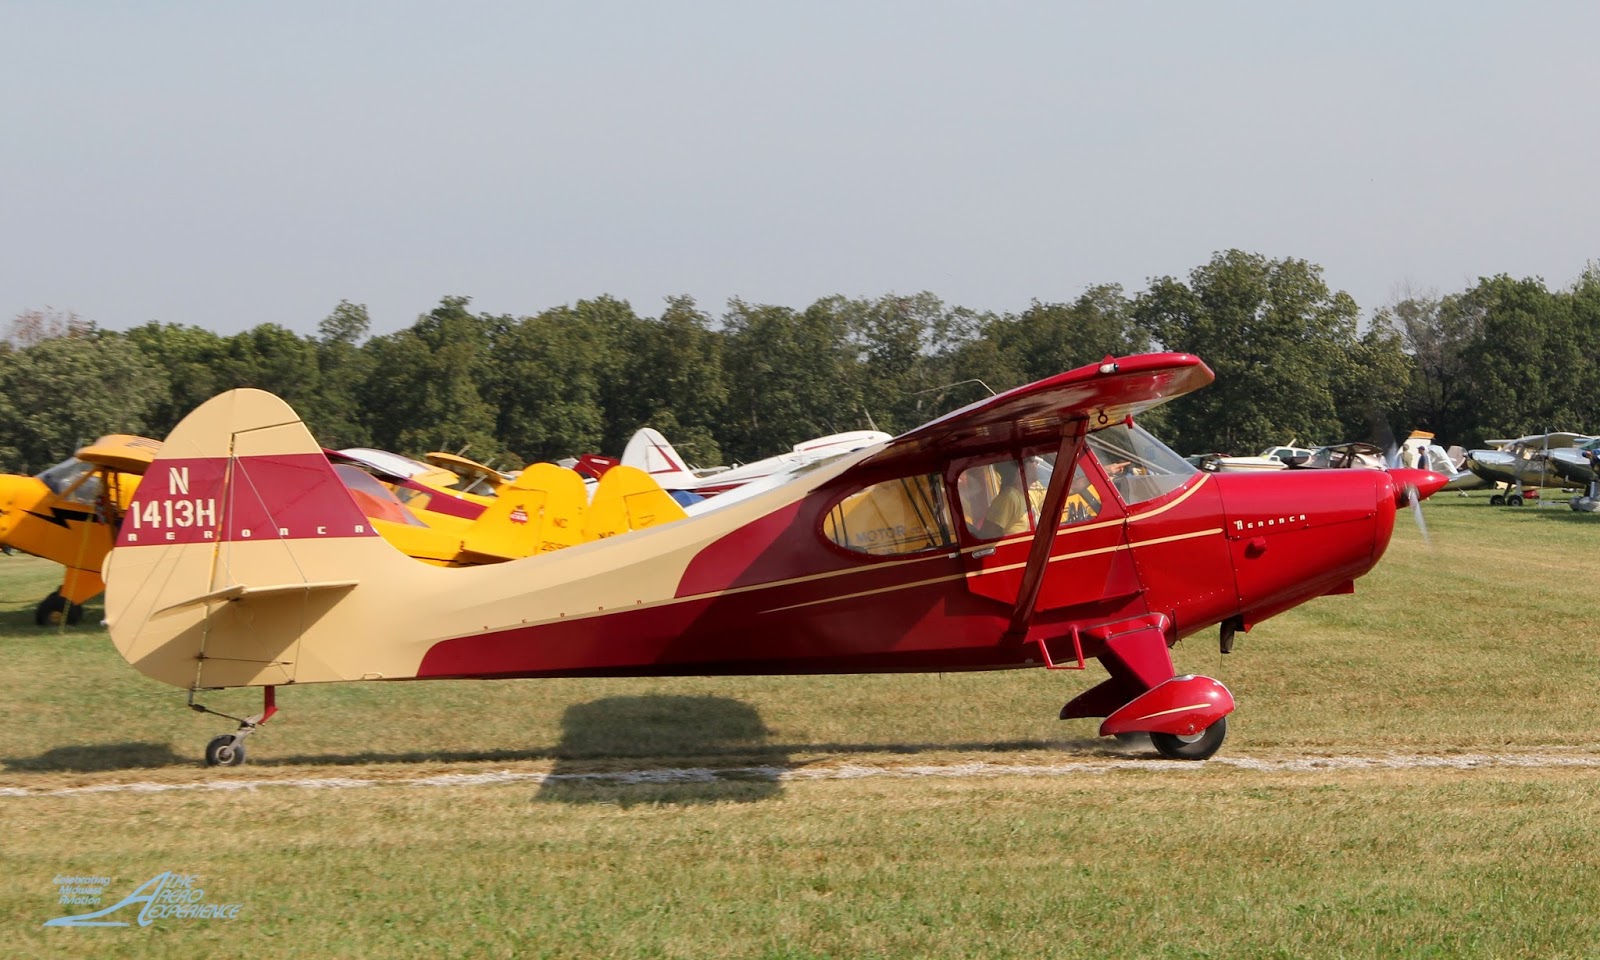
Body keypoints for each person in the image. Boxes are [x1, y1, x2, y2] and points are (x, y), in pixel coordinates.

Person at [978, 462, 1030, 538]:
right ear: (1020, 471)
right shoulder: (1009, 497)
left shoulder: (1021, 495)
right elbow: (988, 534)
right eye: (1032, 460)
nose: (1037, 463)